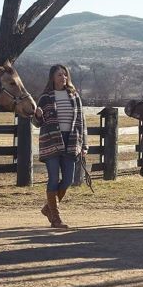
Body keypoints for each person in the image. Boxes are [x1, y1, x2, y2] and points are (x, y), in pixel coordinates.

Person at [32, 64, 87, 229]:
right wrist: (38, 116)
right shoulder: (45, 98)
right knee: (54, 178)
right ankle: (55, 218)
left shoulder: (74, 96)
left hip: (71, 141)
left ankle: (48, 208)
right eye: (59, 75)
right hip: (51, 141)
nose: (63, 77)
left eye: (65, 74)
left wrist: (84, 145)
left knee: (68, 179)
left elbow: (82, 122)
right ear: (52, 78)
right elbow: (36, 123)